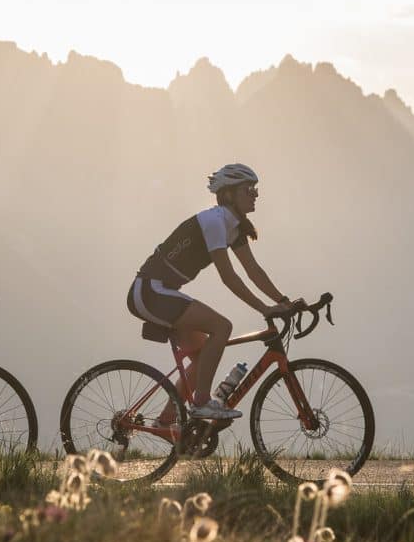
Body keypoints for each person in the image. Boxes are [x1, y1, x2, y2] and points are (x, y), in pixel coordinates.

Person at [127, 163, 297, 420]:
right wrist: (265, 308)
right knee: (222, 327)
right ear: (228, 194)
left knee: (202, 355)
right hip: (150, 292)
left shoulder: (233, 226)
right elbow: (229, 277)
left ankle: (167, 421)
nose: (255, 195)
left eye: (255, 189)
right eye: (248, 189)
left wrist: (284, 301)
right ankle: (202, 403)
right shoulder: (215, 221)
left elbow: (253, 271)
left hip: (160, 292)